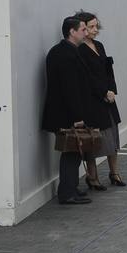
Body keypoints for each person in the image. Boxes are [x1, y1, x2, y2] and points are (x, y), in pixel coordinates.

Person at [41, 16, 94, 205]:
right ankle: (67, 192)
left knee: (74, 152)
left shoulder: (66, 51)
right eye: (83, 29)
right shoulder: (64, 54)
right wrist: (77, 116)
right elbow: (69, 89)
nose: (86, 33)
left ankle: (71, 187)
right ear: (72, 32)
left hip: (65, 112)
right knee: (71, 152)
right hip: (65, 115)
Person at [75, 11, 126, 189]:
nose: (96, 30)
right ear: (82, 28)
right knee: (94, 139)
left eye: (96, 26)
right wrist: (104, 92)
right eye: (91, 27)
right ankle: (92, 177)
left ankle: (114, 173)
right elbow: (87, 77)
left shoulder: (99, 45)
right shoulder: (80, 50)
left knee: (113, 136)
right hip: (93, 101)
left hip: (108, 99)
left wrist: (112, 90)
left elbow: (108, 70)